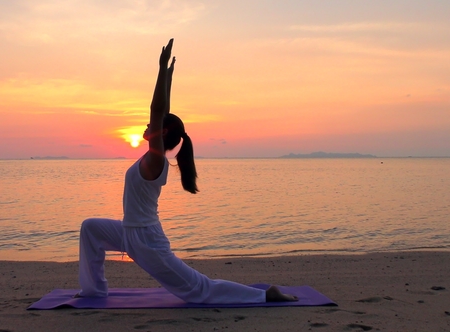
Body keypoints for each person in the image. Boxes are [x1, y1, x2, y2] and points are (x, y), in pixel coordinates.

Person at [77, 39, 296, 303]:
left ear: (162, 132)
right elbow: (163, 112)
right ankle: (94, 290)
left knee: (199, 290)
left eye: (151, 125)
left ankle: (265, 295)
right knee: (90, 228)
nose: (146, 126)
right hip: (128, 231)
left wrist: (159, 69)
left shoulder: (157, 160)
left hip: (147, 240)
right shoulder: (151, 156)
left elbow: (157, 111)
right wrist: (168, 77)